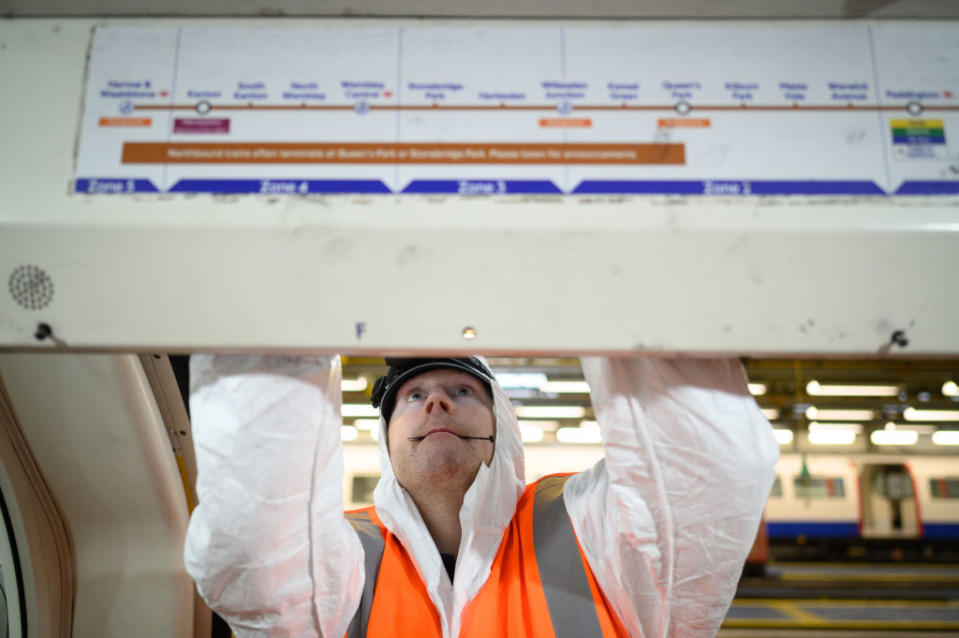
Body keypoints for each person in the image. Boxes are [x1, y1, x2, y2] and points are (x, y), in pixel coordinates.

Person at [185, 355, 778, 638]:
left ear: (505, 428)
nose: (435, 403)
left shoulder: (592, 530)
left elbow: (702, 474)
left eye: (462, 390)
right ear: (387, 442)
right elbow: (249, 535)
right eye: (412, 398)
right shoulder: (335, 560)